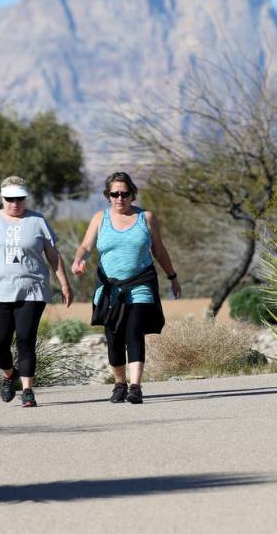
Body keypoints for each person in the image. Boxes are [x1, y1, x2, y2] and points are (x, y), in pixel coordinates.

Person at [0, 176, 74, 408]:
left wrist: (64, 283)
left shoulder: (37, 220)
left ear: (25, 198)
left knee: (26, 339)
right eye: (10, 199)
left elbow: (52, 254)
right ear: (2, 198)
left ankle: (28, 391)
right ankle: (8, 374)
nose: (15, 203)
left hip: (31, 290)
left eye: (20, 198)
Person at [72, 171, 180, 404]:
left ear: (133, 194)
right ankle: (119, 383)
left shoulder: (146, 218)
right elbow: (86, 246)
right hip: (109, 289)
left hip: (140, 284)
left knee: (134, 333)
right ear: (108, 196)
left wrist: (172, 276)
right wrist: (78, 259)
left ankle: (135, 386)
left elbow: (159, 251)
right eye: (115, 194)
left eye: (125, 193)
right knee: (114, 338)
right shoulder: (100, 218)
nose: (120, 198)